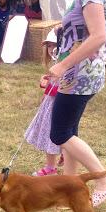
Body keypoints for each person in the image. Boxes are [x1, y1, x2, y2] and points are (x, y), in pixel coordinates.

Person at [48, 0, 106, 207]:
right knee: (69, 131)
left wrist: (62, 65)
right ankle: (69, 187)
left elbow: (98, 35)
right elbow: (87, 29)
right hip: (85, 72)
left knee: (59, 133)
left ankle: (105, 179)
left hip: (79, 74)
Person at [25, 29, 64, 176]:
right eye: (48, 46)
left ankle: (50, 167)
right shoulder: (56, 64)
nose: (50, 49)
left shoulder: (64, 63)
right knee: (54, 132)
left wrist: (48, 85)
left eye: (54, 46)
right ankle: (58, 158)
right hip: (51, 102)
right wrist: (47, 81)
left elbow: (59, 85)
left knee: (51, 133)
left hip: (57, 103)